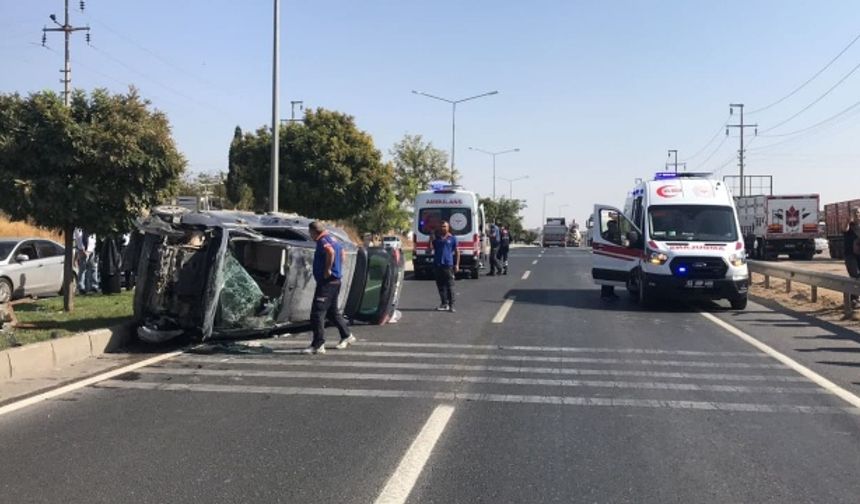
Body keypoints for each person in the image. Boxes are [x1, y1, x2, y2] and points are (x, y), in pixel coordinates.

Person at [303, 221, 355, 355]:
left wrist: (327, 269)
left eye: (310, 233)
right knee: (332, 312)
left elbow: (330, 252)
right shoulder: (333, 238)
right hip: (335, 281)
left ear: (314, 232)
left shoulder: (322, 241)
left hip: (327, 283)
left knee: (317, 313)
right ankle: (347, 335)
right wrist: (338, 267)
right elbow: (342, 252)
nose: (310, 235)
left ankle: (318, 344)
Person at [429, 220, 459, 312]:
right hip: (438, 264)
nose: (443, 228)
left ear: (448, 227)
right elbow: (431, 248)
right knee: (440, 286)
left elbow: (457, 252)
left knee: (450, 285)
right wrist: (431, 238)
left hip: (448, 265)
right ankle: (444, 303)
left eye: (445, 226)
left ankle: (452, 305)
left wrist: (457, 264)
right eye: (442, 226)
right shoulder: (437, 238)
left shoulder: (452, 238)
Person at [845, 208, 860, 307]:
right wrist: (847, 222)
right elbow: (844, 229)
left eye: (858, 212)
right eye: (854, 213)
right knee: (855, 275)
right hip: (850, 255)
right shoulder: (849, 226)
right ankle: (854, 300)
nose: (856, 214)